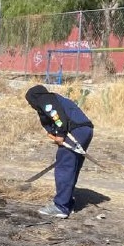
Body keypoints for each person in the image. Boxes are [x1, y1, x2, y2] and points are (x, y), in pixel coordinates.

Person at [25, 84, 94, 218]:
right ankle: (67, 203)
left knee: (64, 166)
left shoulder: (44, 99)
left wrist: (61, 135)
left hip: (75, 131)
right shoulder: (57, 99)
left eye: (30, 102)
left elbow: (57, 116)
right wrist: (54, 134)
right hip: (85, 130)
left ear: (33, 98)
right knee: (72, 166)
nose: (31, 105)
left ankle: (60, 206)